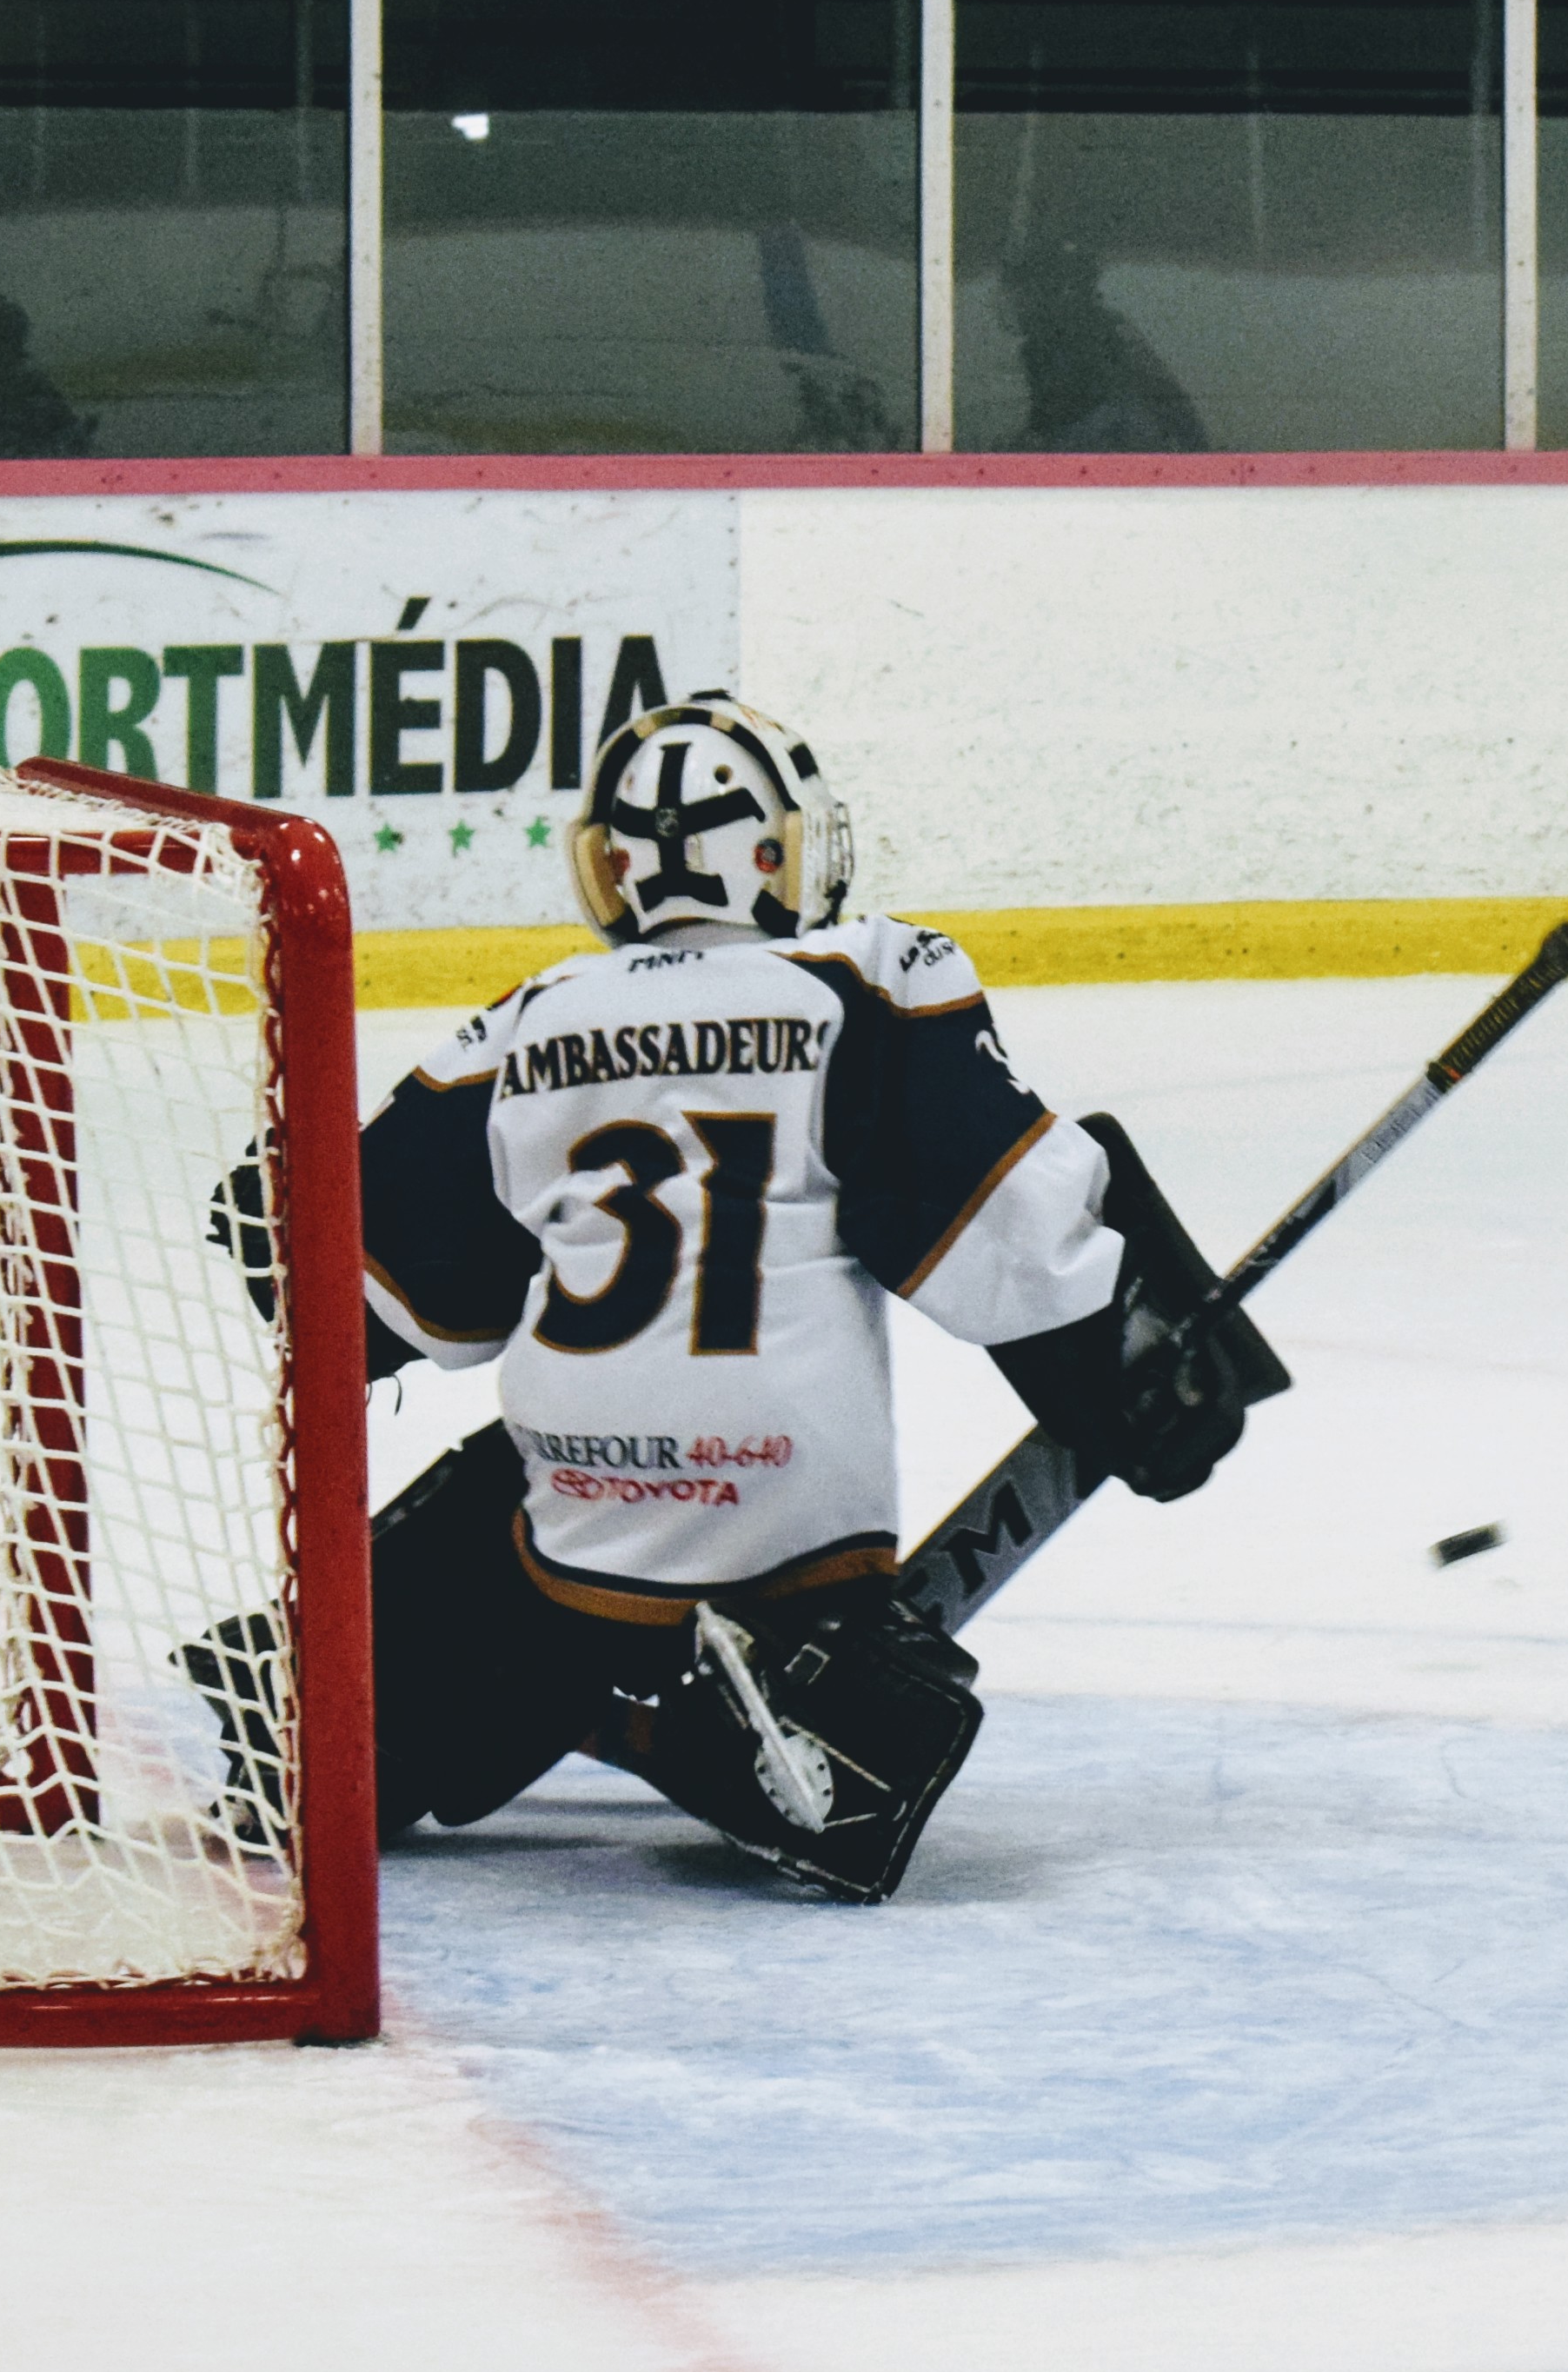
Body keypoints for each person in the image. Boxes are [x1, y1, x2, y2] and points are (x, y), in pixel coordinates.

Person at [344, 693, 1280, 1897]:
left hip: (580, 1518)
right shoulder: (866, 983)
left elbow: (382, 1294)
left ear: (613, 868)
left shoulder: (526, 1021)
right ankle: (753, 1681)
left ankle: (452, 1697)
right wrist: (1143, 1372)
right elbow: (1007, 1243)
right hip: (787, 1518)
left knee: (518, 1493)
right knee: (807, 1472)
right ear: (780, 850)